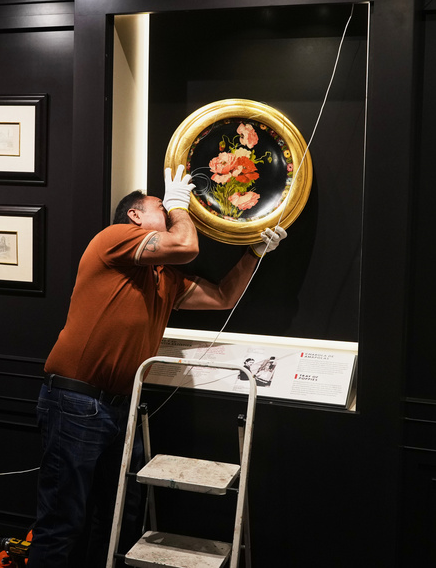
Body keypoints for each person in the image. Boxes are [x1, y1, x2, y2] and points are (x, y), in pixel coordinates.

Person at [29, 165, 287, 567]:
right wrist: (179, 204)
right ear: (135, 216)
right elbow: (185, 245)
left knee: (117, 516)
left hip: (119, 407)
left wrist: (253, 253)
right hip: (76, 401)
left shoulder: (166, 276)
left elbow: (223, 297)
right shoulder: (114, 238)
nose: (169, 212)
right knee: (62, 519)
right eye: (160, 209)